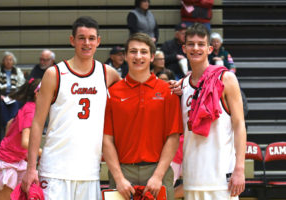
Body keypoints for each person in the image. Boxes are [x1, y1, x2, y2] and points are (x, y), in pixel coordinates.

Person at [21, 16, 121, 199]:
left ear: (98, 41)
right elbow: (37, 123)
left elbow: (131, 95)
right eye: (81, 38)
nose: (86, 43)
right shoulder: (54, 74)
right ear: (72, 40)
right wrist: (31, 168)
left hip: (89, 172)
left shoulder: (108, 74)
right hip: (54, 171)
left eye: (91, 38)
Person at [103, 32, 183, 200]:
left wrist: (158, 176)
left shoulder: (167, 92)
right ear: (125, 56)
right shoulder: (112, 93)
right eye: (133, 51)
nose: (138, 56)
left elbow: (173, 137)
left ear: (152, 56)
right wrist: (118, 178)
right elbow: (106, 140)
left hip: (157, 172)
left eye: (143, 52)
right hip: (123, 173)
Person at [180, 23, 246, 199]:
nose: (196, 48)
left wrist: (239, 169)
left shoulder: (227, 79)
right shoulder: (183, 85)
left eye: (201, 44)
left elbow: (239, 125)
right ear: (184, 48)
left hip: (222, 179)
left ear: (210, 48)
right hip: (192, 178)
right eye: (191, 44)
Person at [0, 78, 42, 200]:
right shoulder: (31, 110)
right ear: (37, 93)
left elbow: (9, 123)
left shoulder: (29, 107)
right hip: (6, 161)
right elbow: (25, 142)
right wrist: (44, 152)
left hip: (17, 161)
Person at [0, 51, 25, 129]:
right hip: (0, 97)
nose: (8, 62)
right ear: (3, 61)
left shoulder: (17, 71)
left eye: (10, 60)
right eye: (6, 59)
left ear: (13, 61)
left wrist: (15, 95)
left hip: (14, 96)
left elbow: (22, 85)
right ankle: (6, 127)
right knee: (2, 105)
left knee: (15, 104)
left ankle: (11, 127)